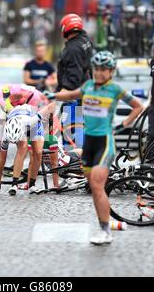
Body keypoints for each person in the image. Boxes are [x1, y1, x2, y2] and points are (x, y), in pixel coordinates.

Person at [46, 51, 144, 244]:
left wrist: (123, 125)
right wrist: (55, 95)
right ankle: (106, 224)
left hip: (104, 143)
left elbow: (138, 107)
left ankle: (105, 231)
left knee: (98, 187)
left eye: (104, 70)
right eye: (97, 69)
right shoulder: (88, 85)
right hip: (88, 143)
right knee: (94, 187)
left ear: (111, 71)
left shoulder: (115, 90)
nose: (99, 73)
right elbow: (73, 94)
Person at [0, 104, 53, 195]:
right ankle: (14, 184)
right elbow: (2, 160)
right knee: (22, 148)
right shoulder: (5, 135)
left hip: (32, 121)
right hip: (16, 119)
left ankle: (32, 185)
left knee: (38, 152)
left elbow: (48, 107)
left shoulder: (30, 121)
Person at [56, 13, 94, 149]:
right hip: (86, 90)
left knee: (71, 128)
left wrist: (64, 91)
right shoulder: (85, 41)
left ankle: (74, 160)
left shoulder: (72, 49)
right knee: (80, 127)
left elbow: (74, 73)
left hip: (74, 95)